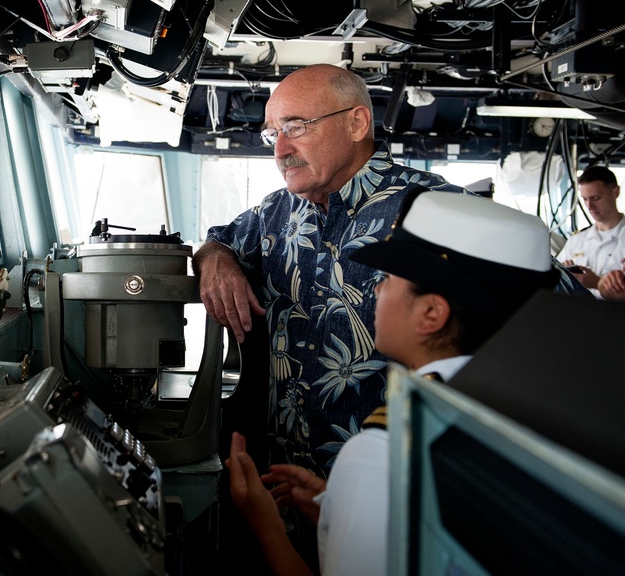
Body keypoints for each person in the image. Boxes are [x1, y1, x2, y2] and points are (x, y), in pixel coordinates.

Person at [194, 63, 588, 564]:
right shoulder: (275, 213)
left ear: (357, 123)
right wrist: (217, 261)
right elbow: (217, 240)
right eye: (274, 131)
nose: (279, 149)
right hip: (295, 491)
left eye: (296, 127)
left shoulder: (433, 210)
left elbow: (559, 305)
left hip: (397, 487)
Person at [225, 189, 561, 576]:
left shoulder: (387, 453)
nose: (376, 290)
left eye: (387, 279)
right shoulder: (530, 414)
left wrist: (264, 522)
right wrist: (344, 508)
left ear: (431, 313)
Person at [557, 165, 625, 297]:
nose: (590, 206)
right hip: (581, 313)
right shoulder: (576, 241)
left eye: (596, 198)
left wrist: (596, 282)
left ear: (615, 192)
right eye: (585, 199)